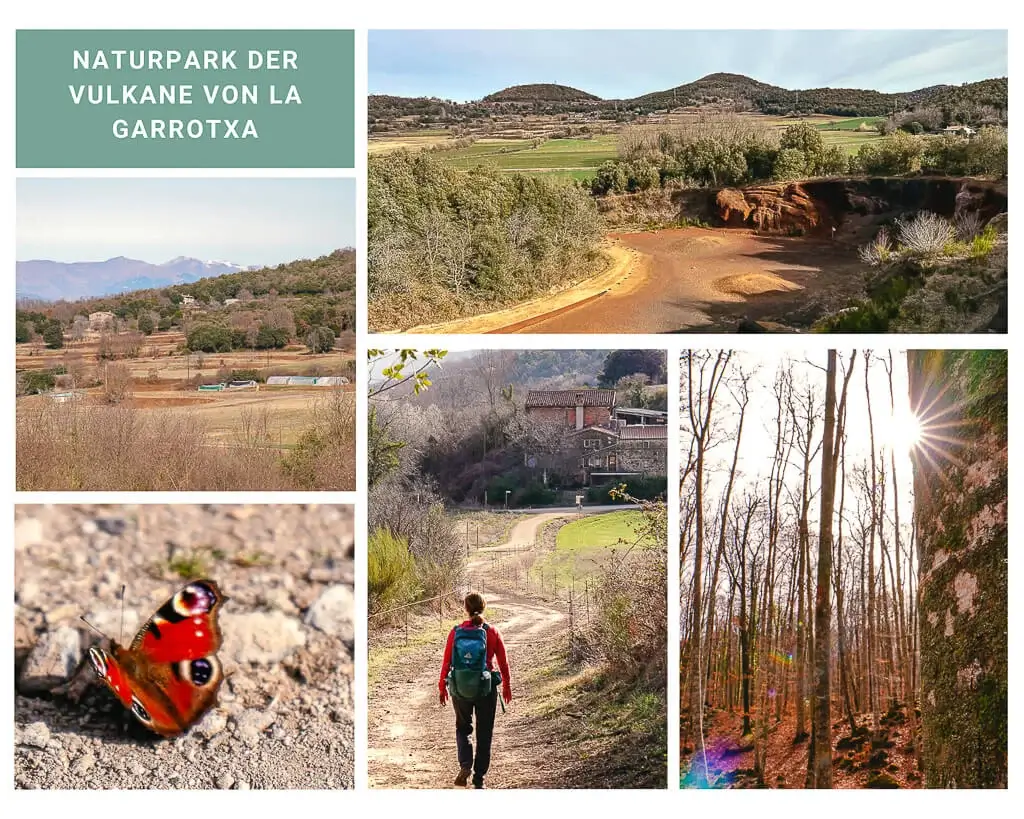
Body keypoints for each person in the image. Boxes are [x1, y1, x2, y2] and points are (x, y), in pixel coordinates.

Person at [438, 592, 512, 789]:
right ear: (484, 606)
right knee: (484, 733)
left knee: (463, 728)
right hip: (485, 689)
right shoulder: (492, 632)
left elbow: (447, 661)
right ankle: (479, 778)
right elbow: (503, 663)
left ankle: (465, 765)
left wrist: (442, 686)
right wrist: (506, 685)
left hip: (460, 687)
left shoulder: (456, 632)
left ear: (465, 608)